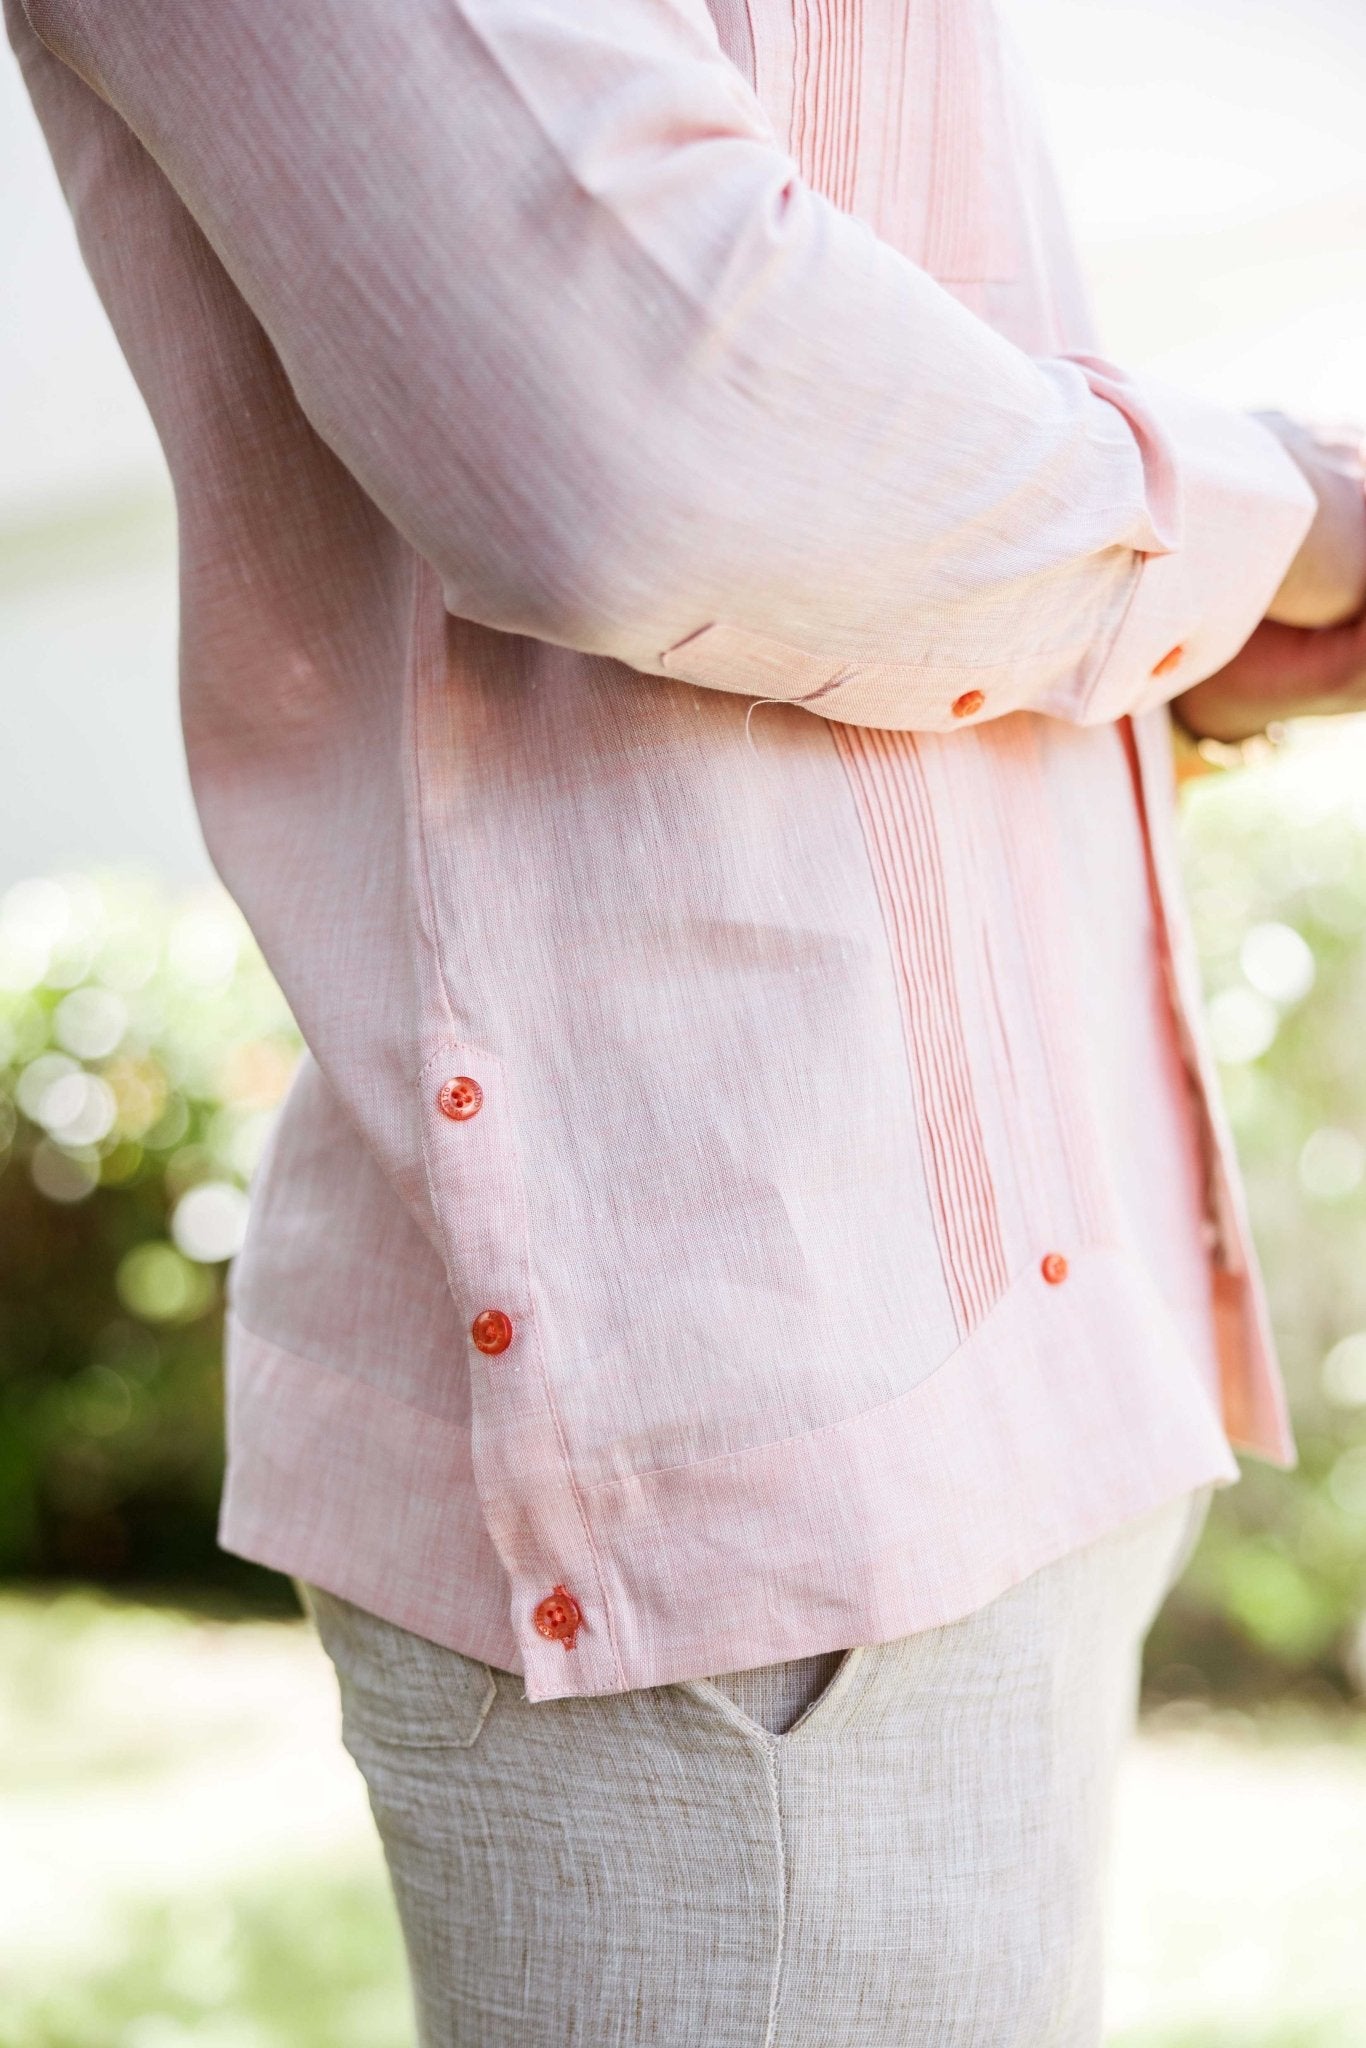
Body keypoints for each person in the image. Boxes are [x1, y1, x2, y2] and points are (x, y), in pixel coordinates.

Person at [10, 0, 1366, 2039]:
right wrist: (1262, 518)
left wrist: (1161, 620)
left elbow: (840, 359)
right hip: (732, 1442)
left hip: (993, 1350)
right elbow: (641, 425)